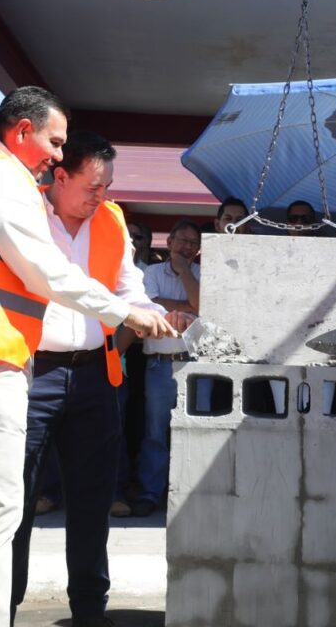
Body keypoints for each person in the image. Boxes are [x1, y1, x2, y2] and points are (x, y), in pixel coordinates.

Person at [0, 86, 175, 627]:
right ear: (22, 132)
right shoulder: (0, 175)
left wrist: (133, 309)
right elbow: (43, 269)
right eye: (54, 142)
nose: (57, 152)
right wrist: (124, 314)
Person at [10, 131, 189, 626]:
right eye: (92, 186)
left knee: (92, 502)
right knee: (16, 501)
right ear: (59, 176)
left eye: (106, 187)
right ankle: (3, 604)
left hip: (95, 373)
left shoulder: (109, 220)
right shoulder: (25, 214)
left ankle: (90, 610)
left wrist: (158, 315)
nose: (99, 197)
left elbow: (130, 290)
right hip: (31, 371)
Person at [136, 220, 201, 519]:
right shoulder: (151, 272)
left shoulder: (202, 273)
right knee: (155, 433)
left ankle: (187, 495)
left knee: (195, 433)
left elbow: (201, 305)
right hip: (159, 365)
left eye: (193, 243)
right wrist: (185, 305)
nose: (187, 247)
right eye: (182, 241)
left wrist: (186, 272)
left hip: (195, 365)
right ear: (170, 241)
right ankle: (150, 493)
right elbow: (148, 308)